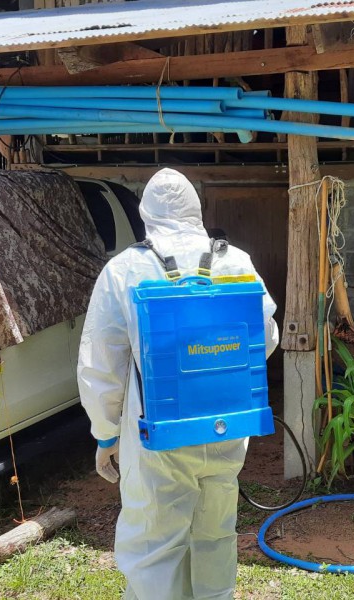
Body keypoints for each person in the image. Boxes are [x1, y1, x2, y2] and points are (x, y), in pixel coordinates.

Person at [77, 168, 279, 600]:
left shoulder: (124, 269)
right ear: (196, 211)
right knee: (215, 532)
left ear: (145, 216)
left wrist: (106, 434)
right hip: (225, 428)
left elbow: (102, 363)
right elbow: (266, 337)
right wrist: (214, 371)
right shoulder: (236, 261)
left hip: (158, 434)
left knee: (156, 541)